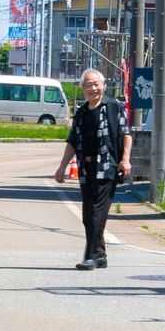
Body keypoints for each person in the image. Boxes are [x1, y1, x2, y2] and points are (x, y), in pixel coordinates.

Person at [54, 67, 130, 270]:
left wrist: (125, 160)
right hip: (86, 168)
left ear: (104, 85)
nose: (93, 88)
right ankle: (101, 254)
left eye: (96, 84)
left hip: (106, 167)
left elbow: (126, 134)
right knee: (88, 215)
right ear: (82, 89)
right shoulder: (81, 112)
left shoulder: (114, 106)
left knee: (97, 212)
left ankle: (91, 256)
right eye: (89, 85)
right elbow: (72, 141)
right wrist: (62, 167)